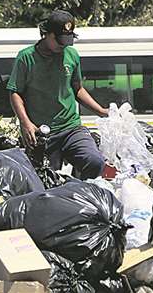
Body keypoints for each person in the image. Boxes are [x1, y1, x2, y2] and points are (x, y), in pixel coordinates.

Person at [7, 10, 109, 179]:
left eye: (68, 40)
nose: (64, 46)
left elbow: (77, 88)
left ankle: (79, 192)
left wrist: (101, 111)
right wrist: (26, 123)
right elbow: (15, 92)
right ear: (47, 34)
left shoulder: (72, 55)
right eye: (60, 41)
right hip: (42, 132)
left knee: (94, 162)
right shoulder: (26, 58)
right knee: (44, 180)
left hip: (71, 127)